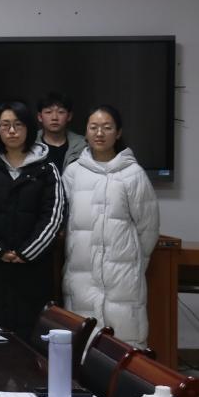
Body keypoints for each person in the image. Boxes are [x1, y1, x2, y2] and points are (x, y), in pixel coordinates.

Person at [62, 105, 159, 348]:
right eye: (93, 127)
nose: (99, 133)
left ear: (118, 133)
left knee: (124, 345)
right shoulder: (73, 173)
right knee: (82, 344)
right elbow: (63, 222)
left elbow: (148, 228)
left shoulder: (133, 174)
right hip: (81, 275)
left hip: (123, 277)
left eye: (107, 127)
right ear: (86, 132)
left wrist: (133, 266)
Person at [0, 101, 65, 340]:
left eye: (18, 125)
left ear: (29, 128)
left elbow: (53, 216)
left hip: (33, 268)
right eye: (5, 125)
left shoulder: (47, 169)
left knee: (31, 339)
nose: (11, 131)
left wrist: (26, 253)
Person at [36, 91, 86, 174]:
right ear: (40, 117)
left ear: (69, 116)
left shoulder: (82, 145)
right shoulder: (31, 144)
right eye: (48, 112)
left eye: (61, 112)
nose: (54, 118)